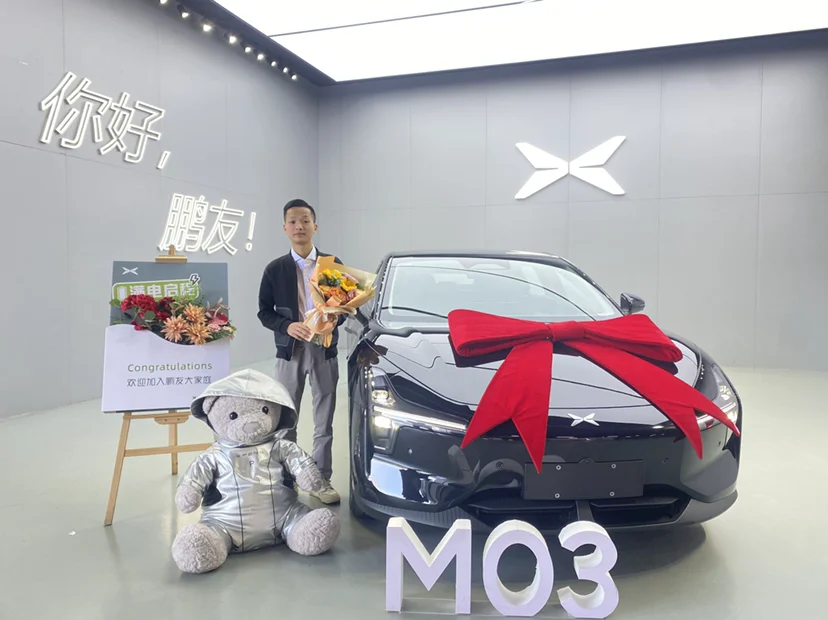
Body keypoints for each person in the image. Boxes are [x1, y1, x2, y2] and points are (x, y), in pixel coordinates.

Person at [256, 198, 343, 504]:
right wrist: (287, 326)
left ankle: (321, 479)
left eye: (305, 220)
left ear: (314, 226)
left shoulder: (332, 264)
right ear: (285, 228)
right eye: (293, 221)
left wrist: (336, 320)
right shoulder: (275, 269)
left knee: (324, 419)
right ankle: (287, 478)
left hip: (324, 349)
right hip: (289, 352)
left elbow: (345, 306)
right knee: (285, 419)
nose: (299, 226)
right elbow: (264, 312)